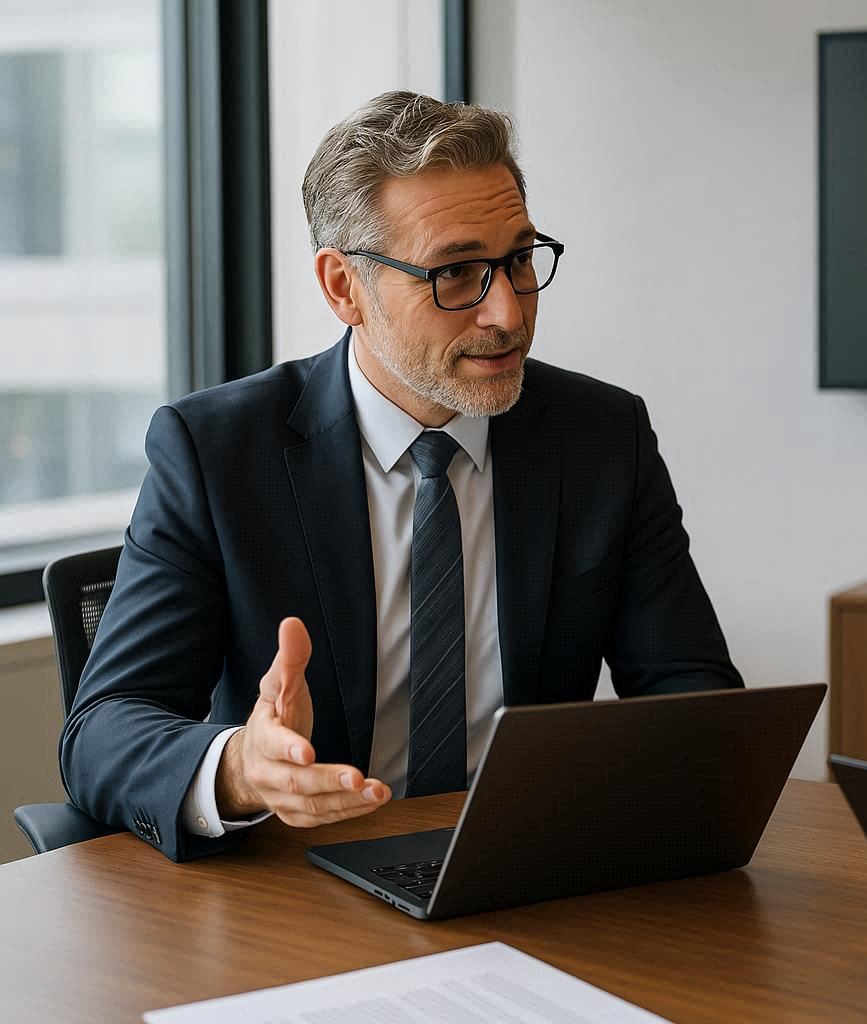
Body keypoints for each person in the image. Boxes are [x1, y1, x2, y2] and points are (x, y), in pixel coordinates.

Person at [61, 91, 742, 862]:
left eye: (519, 260)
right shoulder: (216, 452)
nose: (508, 315)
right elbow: (105, 729)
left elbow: (695, 694)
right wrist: (241, 773)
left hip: (524, 871)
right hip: (304, 885)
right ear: (343, 287)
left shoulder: (600, 436)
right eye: (455, 274)